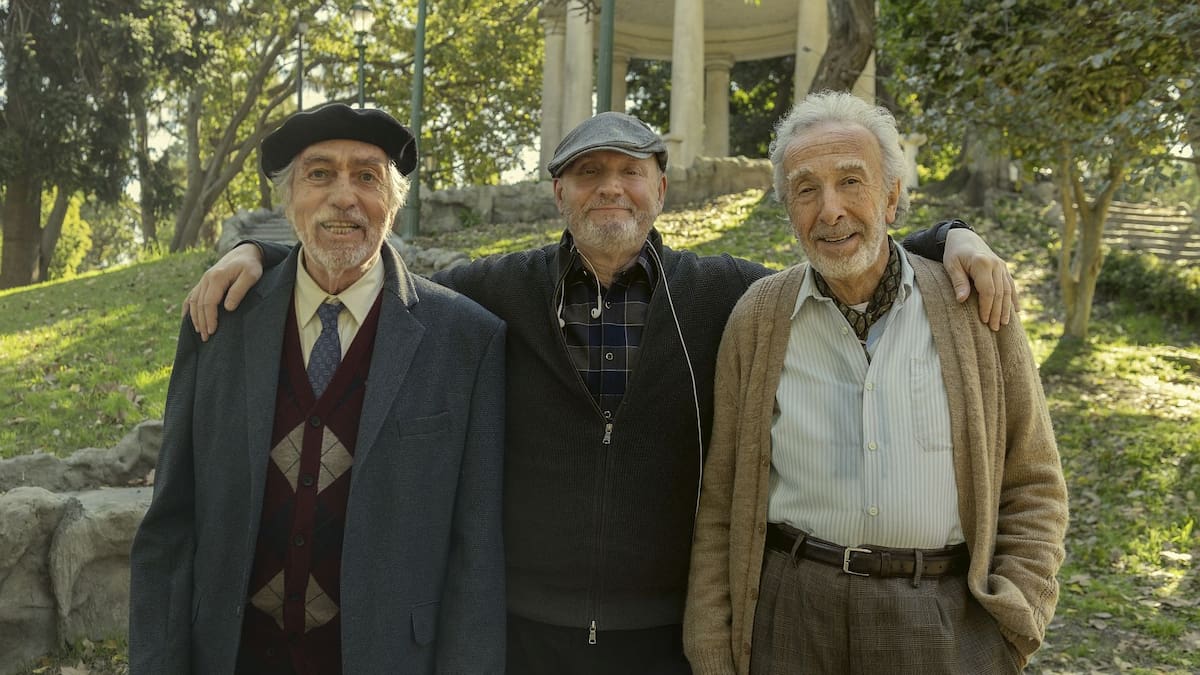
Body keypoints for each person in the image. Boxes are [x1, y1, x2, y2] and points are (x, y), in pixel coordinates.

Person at [183, 110, 1015, 674]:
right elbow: (369, 261)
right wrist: (258, 250)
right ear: (558, 192)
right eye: (586, 172)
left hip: (666, 636)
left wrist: (949, 237)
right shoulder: (489, 294)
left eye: (629, 170)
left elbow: (844, 251)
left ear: (660, 186)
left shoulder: (730, 295)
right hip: (524, 634)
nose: (608, 187)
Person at [682, 91, 1068, 674]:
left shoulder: (974, 307)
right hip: (791, 617)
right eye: (806, 189)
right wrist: (713, 648)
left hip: (938, 620)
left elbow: (1034, 480)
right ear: (788, 209)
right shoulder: (759, 317)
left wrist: (1015, 617)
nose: (829, 209)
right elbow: (723, 499)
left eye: (851, 182)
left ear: (891, 197)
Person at [128, 103, 507, 675]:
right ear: (289, 200)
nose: (343, 196)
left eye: (366, 176)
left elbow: (475, 553)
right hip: (230, 657)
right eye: (320, 173)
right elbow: (171, 522)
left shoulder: (466, 341)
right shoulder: (218, 320)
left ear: (394, 202)